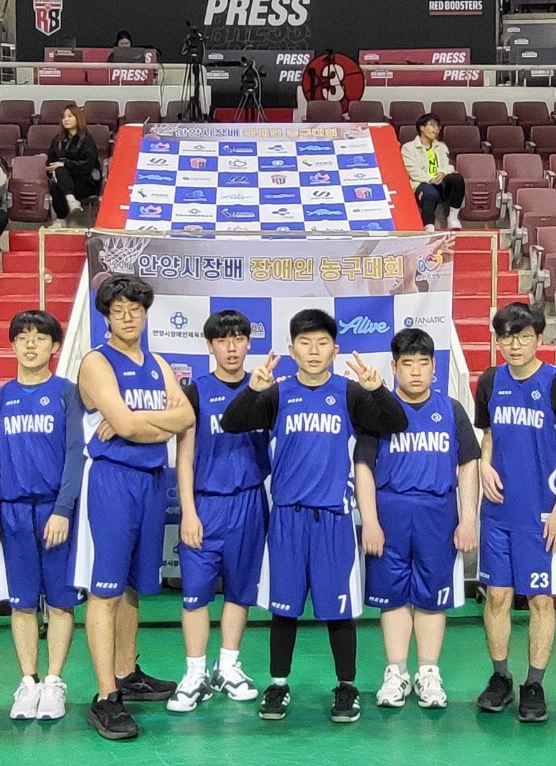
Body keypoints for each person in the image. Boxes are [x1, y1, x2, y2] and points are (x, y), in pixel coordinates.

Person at [222, 309, 408, 724]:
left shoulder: (349, 393)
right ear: (292, 350)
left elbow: (396, 423)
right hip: (287, 518)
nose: (313, 350)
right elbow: (232, 423)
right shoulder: (277, 394)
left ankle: (346, 686)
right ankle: (278, 684)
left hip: (333, 519)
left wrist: (378, 390)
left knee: (338, 610)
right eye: (305, 343)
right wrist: (252, 390)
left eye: (322, 343)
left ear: (334, 349)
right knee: (283, 608)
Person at [75, 274, 193, 740]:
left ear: (145, 314)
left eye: (136, 310)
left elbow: (185, 417)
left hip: (151, 480)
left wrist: (136, 420)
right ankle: (106, 696)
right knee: (105, 590)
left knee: (132, 587)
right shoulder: (96, 362)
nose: (128, 317)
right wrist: (147, 423)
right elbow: (125, 426)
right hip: (112, 480)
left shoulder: (158, 362)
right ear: (106, 316)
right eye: (118, 310)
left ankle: (126, 672)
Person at [357, 327, 480, 711]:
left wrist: (468, 519)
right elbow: (363, 467)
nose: (415, 371)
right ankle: (396, 672)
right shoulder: (379, 411)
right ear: (393, 367)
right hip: (390, 511)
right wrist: (370, 521)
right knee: (392, 596)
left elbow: (469, 465)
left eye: (422, 363)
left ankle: (428, 672)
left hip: (437, 513)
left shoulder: (451, 410)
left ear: (434, 367)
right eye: (407, 364)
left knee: (431, 596)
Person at [472, 303, 556, 721]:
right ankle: (500, 676)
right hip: (498, 512)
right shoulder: (489, 381)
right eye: (506, 337)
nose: (514, 345)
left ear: (539, 338)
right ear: (498, 341)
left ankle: (534, 684)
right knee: (497, 596)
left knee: (540, 599)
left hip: (541, 513)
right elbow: (488, 436)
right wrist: (484, 464)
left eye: (523, 336)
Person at [0, 311, 85, 722]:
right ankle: (28, 680)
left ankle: (54, 681)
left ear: (54, 347)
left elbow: (75, 454)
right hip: (14, 513)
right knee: (21, 603)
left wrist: (63, 509)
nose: (30, 344)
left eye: (40, 337)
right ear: (12, 345)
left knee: (60, 602)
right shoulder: (0, 397)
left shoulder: (66, 393)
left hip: (55, 512)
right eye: (22, 337)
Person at [167, 309, 271, 713]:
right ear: (210, 345)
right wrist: (188, 512)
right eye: (223, 340)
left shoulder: (265, 390)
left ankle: (228, 666)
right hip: (206, 504)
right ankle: (195, 673)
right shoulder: (195, 391)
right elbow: (185, 456)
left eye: (238, 339)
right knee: (195, 595)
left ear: (249, 343)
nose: (231, 347)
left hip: (249, 502)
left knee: (240, 590)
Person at [400, 113, 466, 232]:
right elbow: (412, 170)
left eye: (438, 127)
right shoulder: (408, 148)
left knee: (457, 178)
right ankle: (429, 226)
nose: (436, 129)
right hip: (422, 184)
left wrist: (443, 173)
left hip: (441, 183)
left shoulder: (441, 146)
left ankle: (452, 218)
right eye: (433, 125)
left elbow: (449, 166)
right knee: (429, 193)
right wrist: (431, 179)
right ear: (422, 127)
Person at [45, 105, 100, 226]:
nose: (66, 119)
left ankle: (63, 216)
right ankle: (68, 209)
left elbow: (88, 165)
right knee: (56, 184)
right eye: (64, 117)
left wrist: (65, 164)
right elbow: (50, 161)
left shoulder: (87, 140)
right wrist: (51, 170)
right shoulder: (58, 140)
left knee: (61, 171)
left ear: (78, 118)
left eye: (70, 116)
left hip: (85, 181)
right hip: (64, 180)